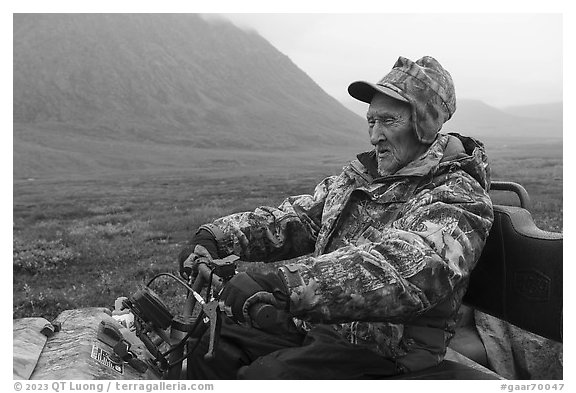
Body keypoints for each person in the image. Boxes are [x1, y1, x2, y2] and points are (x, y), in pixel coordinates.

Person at [178, 56, 494, 379]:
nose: (374, 136)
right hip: (321, 327)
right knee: (209, 348)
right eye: (371, 121)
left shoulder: (458, 194)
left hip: (386, 354)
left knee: (265, 378)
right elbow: (299, 217)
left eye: (388, 121)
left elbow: (404, 270)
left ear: (425, 124)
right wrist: (217, 236)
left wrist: (284, 285)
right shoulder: (364, 176)